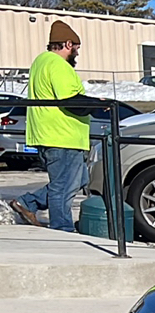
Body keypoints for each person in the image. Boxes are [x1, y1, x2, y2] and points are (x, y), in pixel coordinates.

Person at [9, 21, 103, 231]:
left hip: (49, 134)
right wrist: (97, 104)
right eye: (76, 48)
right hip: (62, 135)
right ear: (68, 44)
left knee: (78, 180)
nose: (77, 53)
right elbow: (70, 100)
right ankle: (63, 229)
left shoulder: (40, 61)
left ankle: (28, 203)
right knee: (63, 187)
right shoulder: (59, 65)